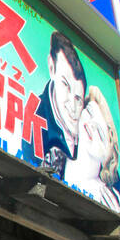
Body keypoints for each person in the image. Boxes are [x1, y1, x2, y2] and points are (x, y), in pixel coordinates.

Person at [63, 86, 120, 213]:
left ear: (109, 155)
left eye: (100, 132)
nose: (90, 126)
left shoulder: (109, 198)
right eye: (89, 112)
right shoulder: (55, 155)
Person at [38, 31, 86, 178]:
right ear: (52, 68)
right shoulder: (34, 120)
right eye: (65, 85)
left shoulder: (87, 127)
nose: (72, 105)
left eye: (78, 99)